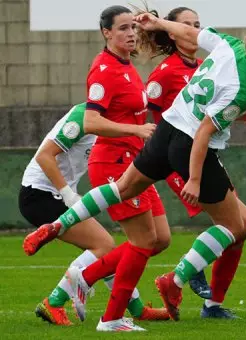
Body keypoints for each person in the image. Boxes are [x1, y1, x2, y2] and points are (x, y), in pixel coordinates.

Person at [25, 13, 246, 322]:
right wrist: (194, 178)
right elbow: (202, 129)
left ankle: (60, 226)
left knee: (141, 213)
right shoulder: (242, 88)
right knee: (236, 227)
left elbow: (190, 36)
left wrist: (160, 23)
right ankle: (172, 282)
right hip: (181, 145)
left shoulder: (228, 45)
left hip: (165, 134)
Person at [24, 6, 173, 331]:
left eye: (133, 27)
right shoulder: (93, 98)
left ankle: (127, 305)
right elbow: (48, 155)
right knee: (116, 244)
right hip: (44, 191)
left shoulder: (127, 67)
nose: (131, 33)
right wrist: (69, 196)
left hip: (131, 164)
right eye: (123, 28)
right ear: (106, 32)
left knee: (157, 239)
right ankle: (64, 298)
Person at [139, 6, 246, 318]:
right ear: (172, 33)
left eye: (196, 24)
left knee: (242, 226)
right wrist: (175, 171)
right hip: (179, 160)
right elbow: (151, 122)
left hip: (202, 155)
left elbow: (211, 113)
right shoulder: (164, 73)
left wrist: (240, 113)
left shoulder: (210, 64)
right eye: (185, 26)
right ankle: (188, 277)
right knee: (234, 225)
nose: (192, 30)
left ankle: (207, 295)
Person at [19, 103, 170, 325]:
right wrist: (68, 195)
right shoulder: (84, 117)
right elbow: (44, 156)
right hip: (40, 194)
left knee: (107, 251)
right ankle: (55, 300)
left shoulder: (111, 122)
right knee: (105, 246)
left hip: (54, 193)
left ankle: (136, 308)